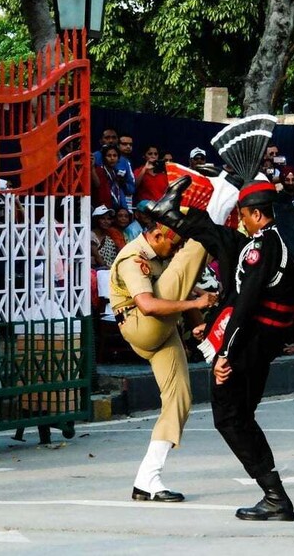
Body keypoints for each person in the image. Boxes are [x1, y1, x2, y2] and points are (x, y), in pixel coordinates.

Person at [149, 179, 294, 521]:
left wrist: (225, 355)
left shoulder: (261, 248)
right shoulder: (285, 239)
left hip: (249, 342)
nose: (242, 221)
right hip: (265, 341)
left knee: (230, 416)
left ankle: (275, 496)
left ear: (258, 215)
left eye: (245, 215)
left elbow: (245, 305)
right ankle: (174, 216)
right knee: (224, 241)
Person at [109, 184, 217, 503]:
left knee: (179, 399)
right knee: (196, 247)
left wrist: (198, 327)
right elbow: (150, 305)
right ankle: (220, 198)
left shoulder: (159, 252)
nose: (175, 246)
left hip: (162, 331)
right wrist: (196, 307)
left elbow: (179, 290)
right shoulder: (133, 257)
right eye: (173, 238)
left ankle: (148, 478)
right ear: (157, 234)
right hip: (142, 325)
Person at [91, 205, 125, 269]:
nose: (106, 222)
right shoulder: (91, 236)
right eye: (102, 218)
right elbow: (98, 258)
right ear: (96, 220)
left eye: (108, 219)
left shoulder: (110, 237)